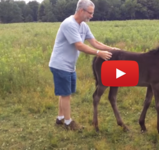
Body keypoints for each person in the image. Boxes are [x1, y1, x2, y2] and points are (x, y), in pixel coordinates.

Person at [48, 0, 120, 131]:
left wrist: (112, 50)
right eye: (90, 13)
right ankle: (68, 123)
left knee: (65, 93)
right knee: (66, 94)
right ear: (82, 11)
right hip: (59, 64)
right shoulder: (69, 24)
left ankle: (60, 118)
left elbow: (95, 42)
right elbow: (79, 45)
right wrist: (98, 53)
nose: (91, 16)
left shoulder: (83, 26)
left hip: (69, 65)